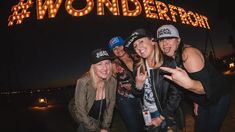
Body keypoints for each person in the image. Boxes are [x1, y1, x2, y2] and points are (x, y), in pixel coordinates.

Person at [157, 24, 232, 132]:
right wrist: (196, 102)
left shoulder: (188, 54)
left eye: (169, 38)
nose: (164, 43)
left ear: (178, 40)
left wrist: (189, 85)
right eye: (161, 40)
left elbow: (206, 88)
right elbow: (195, 83)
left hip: (219, 95)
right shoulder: (171, 59)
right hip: (203, 99)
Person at [125, 28, 182, 132]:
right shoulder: (138, 67)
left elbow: (176, 95)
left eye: (141, 41)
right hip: (147, 113)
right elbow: (136, 93)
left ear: (153, 41)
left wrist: (161, 117)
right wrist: (138, 85)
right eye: (135, 46)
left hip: (165, 114)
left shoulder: (168, 63)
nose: (138, 47)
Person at [74, 48, 117, 132]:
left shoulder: (112, 81)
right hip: (85, 121)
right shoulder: (83, 82)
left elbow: (110, 106)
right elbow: (81, 111)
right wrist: (96, 130)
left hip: (101, 121)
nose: (105, 68)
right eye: (99, 64)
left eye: (107, 63)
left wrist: (105, 127)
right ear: (93, 67)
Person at [107, 36, 145, 132]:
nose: (118, 50)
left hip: (141, 95)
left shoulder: (137, 56)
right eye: (114, 49)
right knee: (134, 128)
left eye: (119, 46)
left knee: (145, 124)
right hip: (125, 100)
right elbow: (106, 79)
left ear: (124, 45)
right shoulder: (113, 64)